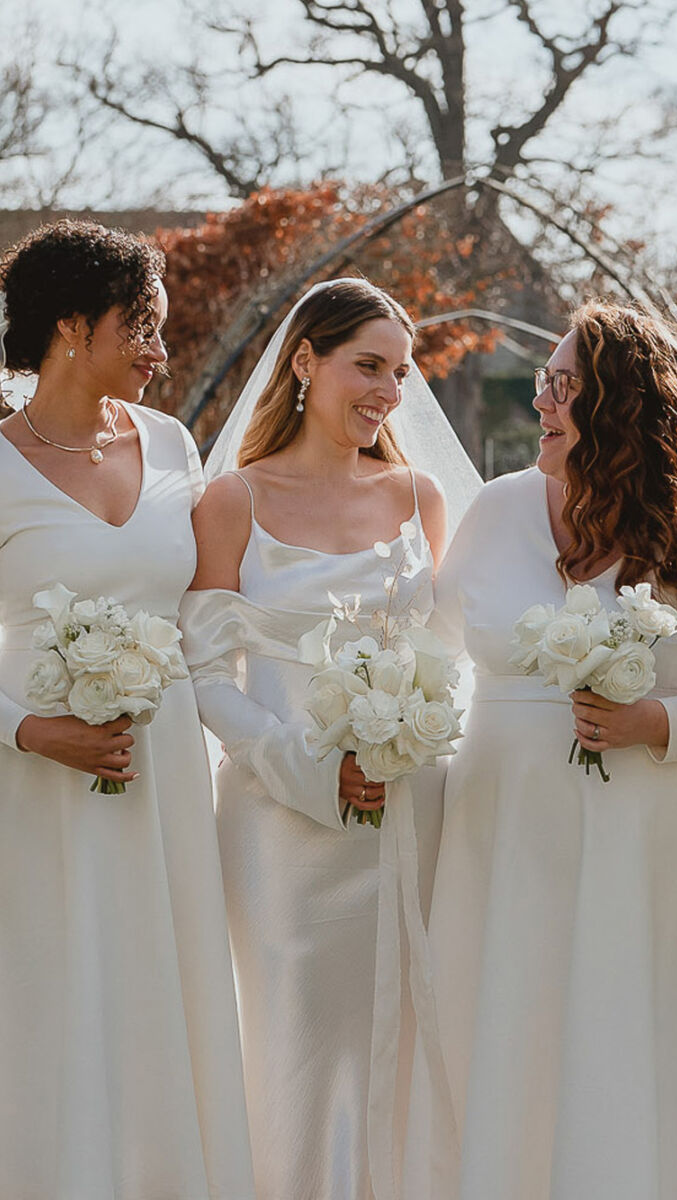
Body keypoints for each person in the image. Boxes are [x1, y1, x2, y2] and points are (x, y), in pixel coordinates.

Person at [412, 299, 677, 1200]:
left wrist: (659, 724)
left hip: (660, 836)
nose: (542, 400)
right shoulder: (498, 509)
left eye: (563, 384)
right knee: (513, 1034)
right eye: (546, 382)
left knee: (647, 1034)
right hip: (507, 838)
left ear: (622, 405)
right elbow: (431, 654)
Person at [0, 219, 254, 1199]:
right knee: (36, 992)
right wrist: (39, 731)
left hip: (159, 768)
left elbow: (204, 611)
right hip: (30, 774)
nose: (160, 351)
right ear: (72, 326)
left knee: (158, 985)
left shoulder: (173, 442)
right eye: (141, 327)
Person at [181, 277, 482, 1200]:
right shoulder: (233, 500)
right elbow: (203, 679)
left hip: (408, 809)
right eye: (367, 366)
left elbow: (453, 659)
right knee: (300, 1033)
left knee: (407, 1027)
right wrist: (307, 767)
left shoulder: (420, 495)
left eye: (400, 372)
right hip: (281, 822)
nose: (388, 391)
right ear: (304, 361)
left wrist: (417, 739)